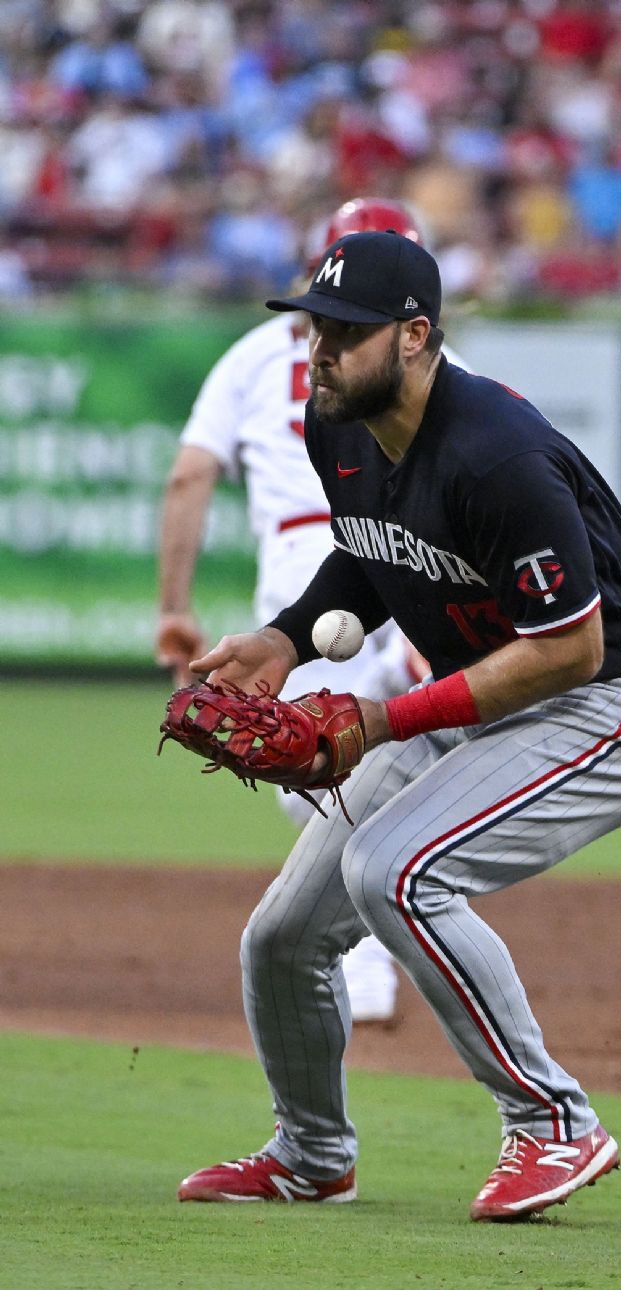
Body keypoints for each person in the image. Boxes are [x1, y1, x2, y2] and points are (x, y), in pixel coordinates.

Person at [176, 230, 621, 1221]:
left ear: (415, 335)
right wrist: (286, 640)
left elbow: (570, 651)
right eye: (313, 325)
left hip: (619, 700)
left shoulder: (494, 454)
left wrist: (379, 719)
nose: (318, 347)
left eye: (345, 330)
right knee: (282, 937)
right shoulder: (334, 425)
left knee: (396, 871)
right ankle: (311, 1154)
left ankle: (554, 1123)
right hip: (487, 691)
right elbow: (375, 552)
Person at [156, 198, 468, 1025]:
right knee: (318, 763)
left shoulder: (258, 355)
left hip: (315, 560)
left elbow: (190, 477)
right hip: (412, 555)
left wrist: (172, 608)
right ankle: (412, 668)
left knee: (322, 762)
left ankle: (368, 963)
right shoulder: (437, 365)